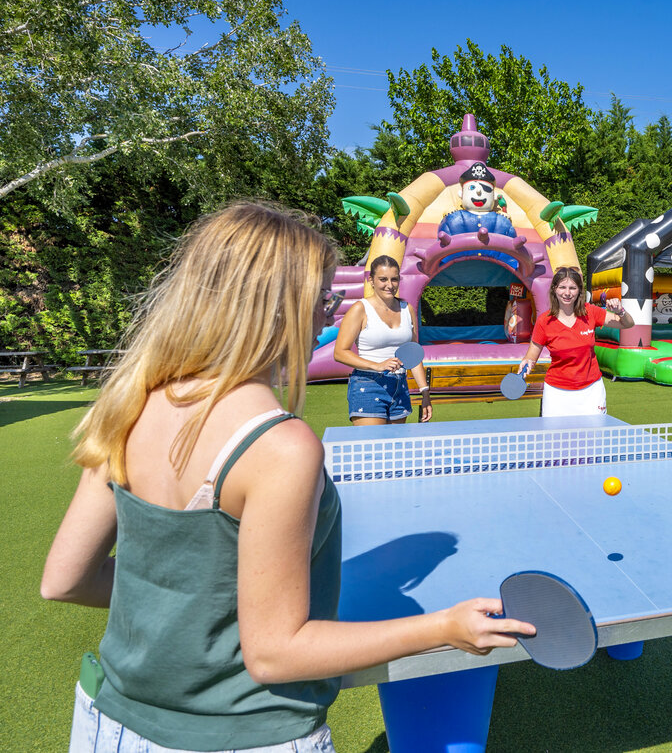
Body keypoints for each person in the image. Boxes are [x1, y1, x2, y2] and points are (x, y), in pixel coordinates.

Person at [41, 202, 533, 753]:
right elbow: (275, 653)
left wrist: (193, 601)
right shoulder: (280, 447)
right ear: (277, 307)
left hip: (108, 725)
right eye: (322, 298)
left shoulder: (128, 402)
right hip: (244, 736)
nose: (326, 316)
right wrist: (443, 628)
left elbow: (65, 580)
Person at [517, 266, 633, 417]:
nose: (567, 293)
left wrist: (620, 311)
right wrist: (527, 363)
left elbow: (628, 324)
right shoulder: (544, 321)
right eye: (562, 287)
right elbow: (531, 357)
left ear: (579, 291)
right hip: (556, 393)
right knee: (554, 433)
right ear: (554, 289)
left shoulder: (590, 312)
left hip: (591, 390)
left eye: (572, 288)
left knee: (595, 432)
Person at [332, 254, 432, 424]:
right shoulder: (360, 309)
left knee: (396, 441)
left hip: (400, 386)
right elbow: (340, 353)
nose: (389, 285)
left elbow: (413, 354)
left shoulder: (407, 309)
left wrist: (425, 392)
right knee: (373, 441)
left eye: (394, 279)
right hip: (368, 384)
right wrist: (377, 365)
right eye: (383, 279)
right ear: (371, 280)